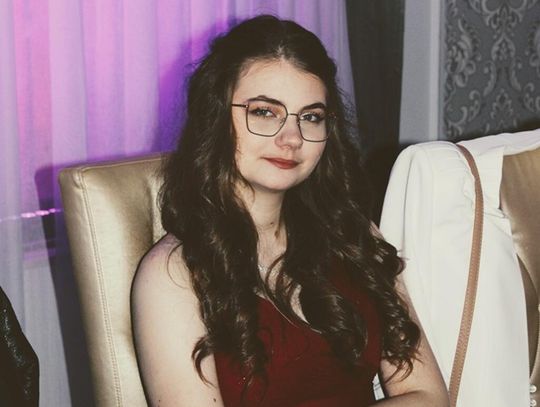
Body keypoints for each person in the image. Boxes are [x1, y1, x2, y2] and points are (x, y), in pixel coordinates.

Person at [131, 15, 448, 407]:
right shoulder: (173, 272)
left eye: (311, 117)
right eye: (265, 112)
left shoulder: (352, 235)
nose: (292, 138)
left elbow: (428, 395)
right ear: (216, 117)